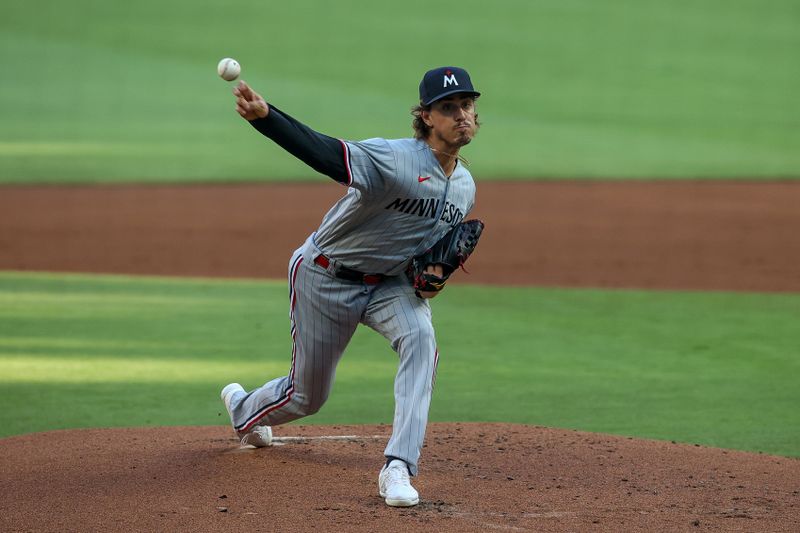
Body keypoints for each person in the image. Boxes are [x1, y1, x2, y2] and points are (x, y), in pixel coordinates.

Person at [220, 66, 481, 507]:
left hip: (390, 287)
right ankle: (245, 410)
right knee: (307, 397)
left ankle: (398, 467)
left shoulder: (464, 188)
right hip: (325, 275)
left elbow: (427, 257)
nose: (462, 115)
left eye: (468, 106)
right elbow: (327, 154)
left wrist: (432, 278)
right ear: (426, 116)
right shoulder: (393, 158)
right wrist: (268, 117)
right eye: (449, 108)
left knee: (421, 339)